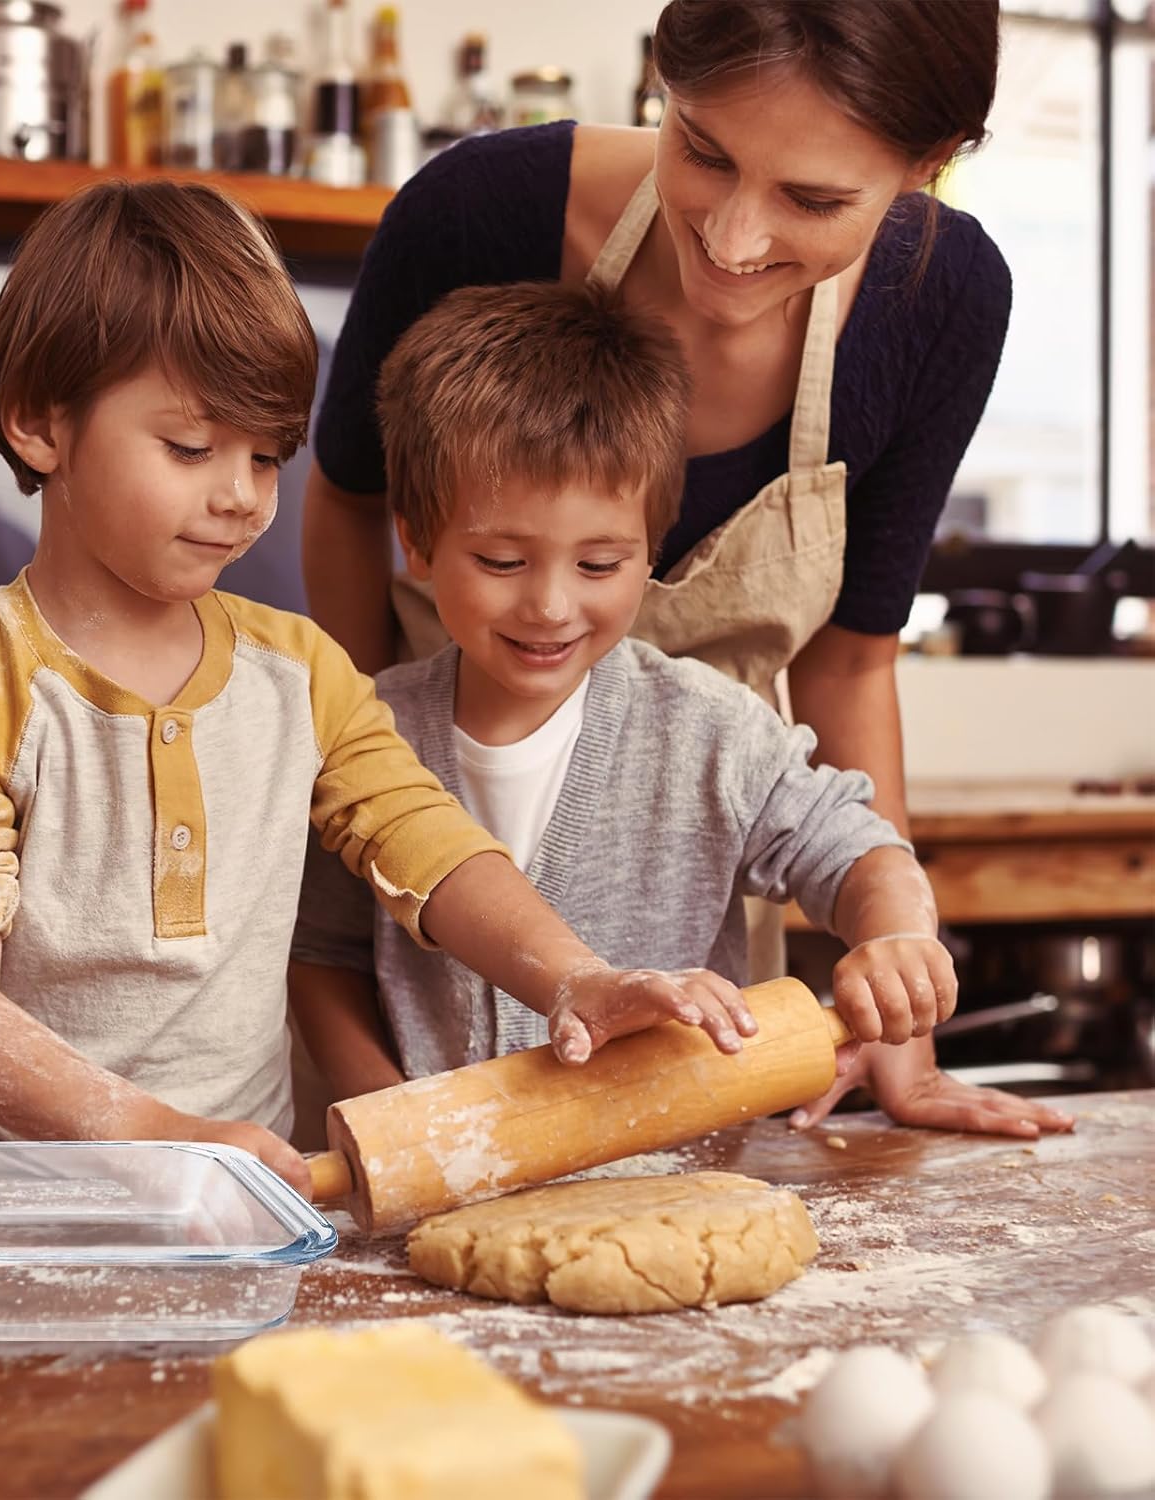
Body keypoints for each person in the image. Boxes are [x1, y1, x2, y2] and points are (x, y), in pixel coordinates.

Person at [0, 179, 790, 1199]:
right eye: (192, 448)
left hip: (231, 1203)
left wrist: (574, 977)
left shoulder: (300, 673)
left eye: (265, 455)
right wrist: (154, 1136)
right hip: (0, 1208)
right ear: (40, 423)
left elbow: (433, 844)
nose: (240, 493)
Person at [300, 0, 1072, 1139]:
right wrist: (379, 780)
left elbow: (853, 668)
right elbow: (350, 502)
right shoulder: (474, 214)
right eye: (702, 149)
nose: (734, 238)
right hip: (412, 973)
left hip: (687, 986)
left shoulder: (942, 302)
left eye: (812, 199)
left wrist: (900, 1025)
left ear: (930, 165)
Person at [291, 279, 966, 1101]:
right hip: (437, 1201)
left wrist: (895, 935)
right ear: (420, 544)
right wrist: (399, 1120)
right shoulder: (367, 738)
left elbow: (859, 851)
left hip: (680, 1187)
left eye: (599, 564)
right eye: (502, 562)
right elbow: (321, 956)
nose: (549, 605)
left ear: (652, 551)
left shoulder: (708, 731)